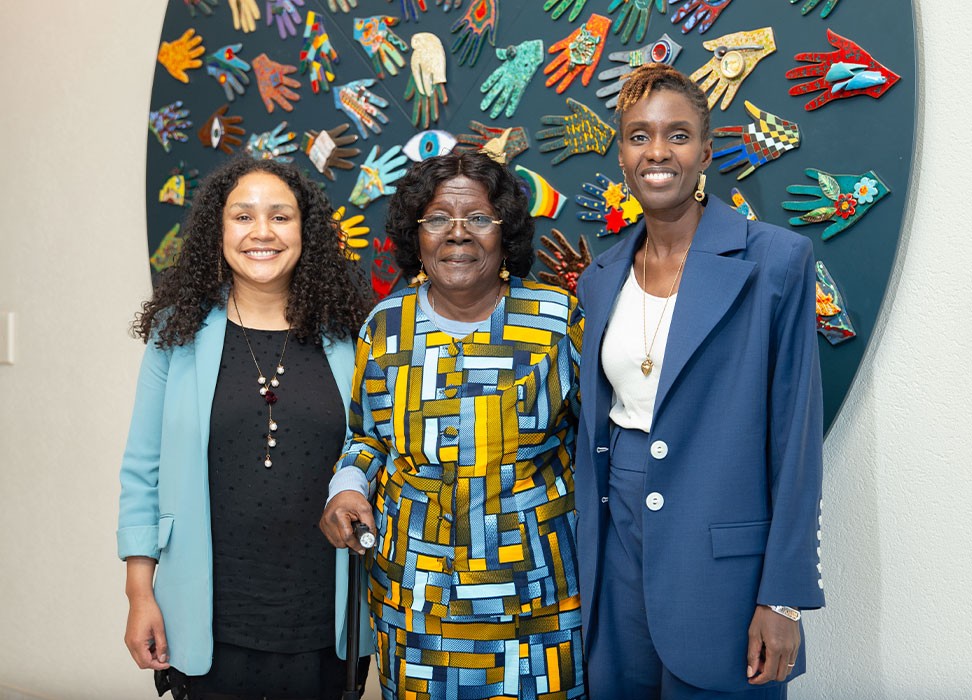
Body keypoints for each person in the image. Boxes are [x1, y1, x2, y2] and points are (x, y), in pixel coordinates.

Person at [574, 63, 825, 699]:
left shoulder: (775, 261)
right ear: (621, 154)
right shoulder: (601, 277)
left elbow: (796, 440)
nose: (658, 152)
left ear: (706, 151)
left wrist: (785, 599)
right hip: (617, 554)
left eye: (678, 135)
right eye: (639, 135)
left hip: (724, 570)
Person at [319, 152, 585, 699]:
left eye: (479, 219)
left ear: (504, 232)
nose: (457, 235)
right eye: (438, 219)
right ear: (415, 236)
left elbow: (601, 445)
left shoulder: (557, 322)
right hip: (418, 605)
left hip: (536, 604)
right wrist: (347, 487)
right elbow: (367, 437)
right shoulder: (385, 327)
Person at [117, 157, 373, 700]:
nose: (262, 232)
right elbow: (144, 470)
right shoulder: (176, 335)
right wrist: (140, 593)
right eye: (243, 216)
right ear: (218, 230)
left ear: (306, 232)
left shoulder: (351, 336)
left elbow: (373, 451)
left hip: (324, 616)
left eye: (280, 217)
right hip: (208, 615)